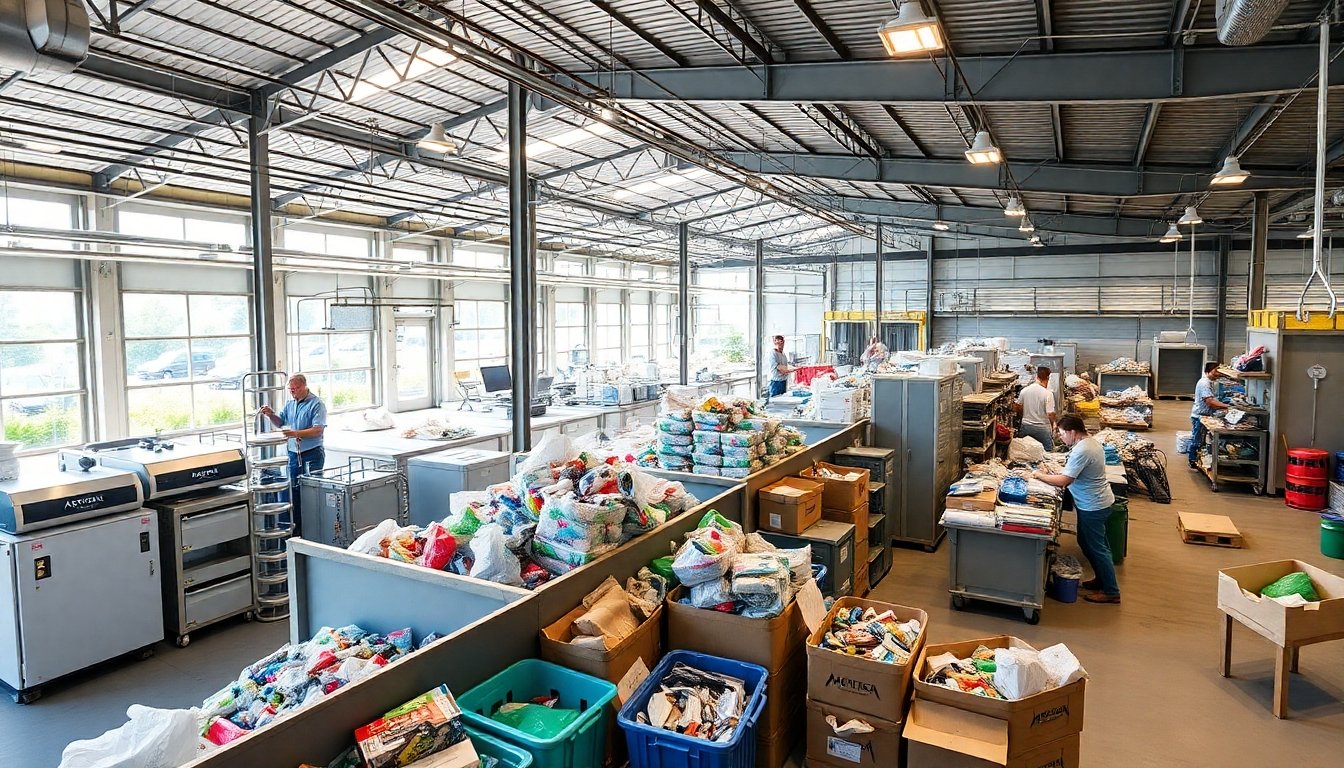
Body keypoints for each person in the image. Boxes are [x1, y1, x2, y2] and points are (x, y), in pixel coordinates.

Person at [1032, 415, 1120, 604]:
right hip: (1096, 502)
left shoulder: (1084, 449)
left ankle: (1111, 591)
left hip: (1093, 505)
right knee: (1090, 543)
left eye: (1062, 434)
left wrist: (1037, 475)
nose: (1061, 437)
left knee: (1096, 547)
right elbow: (1072, 471)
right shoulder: (1089, 443)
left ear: (1072, 431)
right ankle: (1101, 579)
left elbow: (1065, 481)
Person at [259, 374, 328, 537]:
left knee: (309, 494)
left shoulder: (316, 404)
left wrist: (296, 433)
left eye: (296, 389)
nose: (293, 392)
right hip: (293, 455)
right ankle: (294, 533)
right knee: (293, 493)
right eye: (291, 390)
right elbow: (280, 422)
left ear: (304, 386)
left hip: (311, 455)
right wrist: (270, 414)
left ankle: (311, 532)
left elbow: (318, 429)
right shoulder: (290, 403)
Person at [1189, 361, 1230, 469]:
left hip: (1204, 415)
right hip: (1200, 416)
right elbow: (1210, 402)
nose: (1218, 373)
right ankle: (1192, 459)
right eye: (1216, 370)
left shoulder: (1210, 382)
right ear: (1208, 371)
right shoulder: (1204, 383)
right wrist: (1226, 407)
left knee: (1201, 439)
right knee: (1197, 439)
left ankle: (1199, 459)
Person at [1015, 365, 1057, 450]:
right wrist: (1054, 425)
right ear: (1048, 378)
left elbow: (1018, 407)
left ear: (1036, 376)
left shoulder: (1024, 391)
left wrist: (1024, 416)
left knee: (1025, 452)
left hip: (1026, 426)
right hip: (1043, 428)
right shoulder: (1048, 394)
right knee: (1047, 455)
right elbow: (1050, 414)